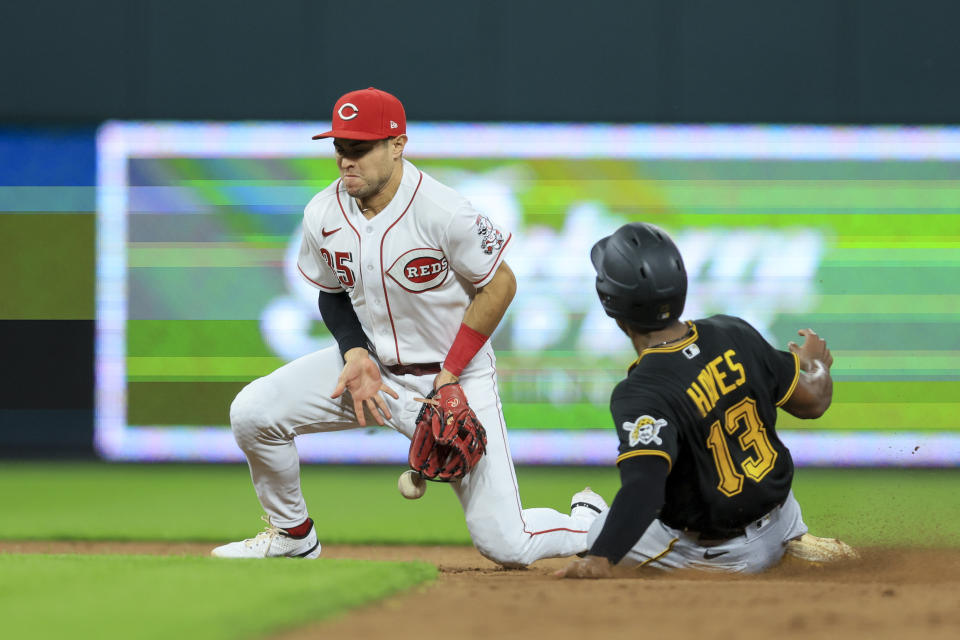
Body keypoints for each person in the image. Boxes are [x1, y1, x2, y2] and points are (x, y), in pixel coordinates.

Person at [211, 87, 606, 565]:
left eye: (360, 147)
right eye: (340, 146)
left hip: (455, 378)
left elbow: (499, 286)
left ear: (397, 144)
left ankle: (592, 522)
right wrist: (354, 352)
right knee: (253, 413)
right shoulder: (323, 212)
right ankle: (293, 535)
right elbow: (331, 291)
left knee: (507, 545)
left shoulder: (445, 211)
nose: (345, 160)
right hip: (374, 371)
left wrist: (451, 374)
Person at [557, 222, 857, 577]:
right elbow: (813, 402)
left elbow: (645, 489)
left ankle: (589, 521)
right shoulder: (734, 331)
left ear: (610, 303)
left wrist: (600, 556)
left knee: (599, 532)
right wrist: (817, 365)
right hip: (782, 517)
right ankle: (795, 543)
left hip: (721, 554)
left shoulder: (640, 390)